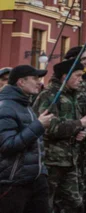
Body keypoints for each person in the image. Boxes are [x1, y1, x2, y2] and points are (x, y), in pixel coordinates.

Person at [32, 59, 86, 213]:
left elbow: (75, 124)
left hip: (70, 159)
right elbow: (48, 127)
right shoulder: (49, 96)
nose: (81, 80)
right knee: (46, 203)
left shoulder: (73, 96)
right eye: (77, 76)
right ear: (65, 76)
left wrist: (80, 131)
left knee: (74, 202)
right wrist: (80, 124)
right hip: (51, 161)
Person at [0, 65, 54, 213]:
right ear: (21, 82)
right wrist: (38, 125)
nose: (39, 82)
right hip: (14, 183)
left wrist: (41, 172)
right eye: (35, 78)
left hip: (35, 180)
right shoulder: (5, 107)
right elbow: (7, 145)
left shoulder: (25, 105)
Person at [64, 47, 86, 213]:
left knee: (85, 182)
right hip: (70, 143)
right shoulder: (63, 84)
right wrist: (77, 127)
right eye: (83, 60)